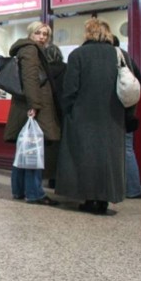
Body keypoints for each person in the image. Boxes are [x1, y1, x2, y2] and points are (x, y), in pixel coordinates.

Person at [56, 18, 127, 214]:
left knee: (85, 156)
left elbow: (70, 89)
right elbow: (132, 84)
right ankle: (104, 200)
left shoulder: (78, 55)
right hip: (113, 115)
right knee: (108, 158)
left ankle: (89, 199)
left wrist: (67, 110)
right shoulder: (119, 54)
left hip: (83, 115)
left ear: (88, 33)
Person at [3, 22, 60, 206]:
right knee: (34, 149)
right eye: (38, 33)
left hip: (25, 106)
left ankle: (19, 190)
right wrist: (34, 105)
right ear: (30, 34)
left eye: (45, 34)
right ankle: (34, 192)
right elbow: (30, 78)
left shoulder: (27, 49)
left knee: (24, 149)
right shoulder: (30, 49)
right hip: (34, 107)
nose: (42, 37)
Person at [112, 36, 141, 200]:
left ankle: (117, 187)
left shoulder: (110, 58)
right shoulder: (127, 58)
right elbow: (140, 84)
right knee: (127, 149)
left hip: (112, 114)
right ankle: (133, 189)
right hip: (128, 113)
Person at [42, 43, 66, 189]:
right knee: (61, 147)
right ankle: (57, 179)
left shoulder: (43, 71)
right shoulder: (67, 68)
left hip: (47, 112)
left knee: (47, 147)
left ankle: (46, 176)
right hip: (62, 112)